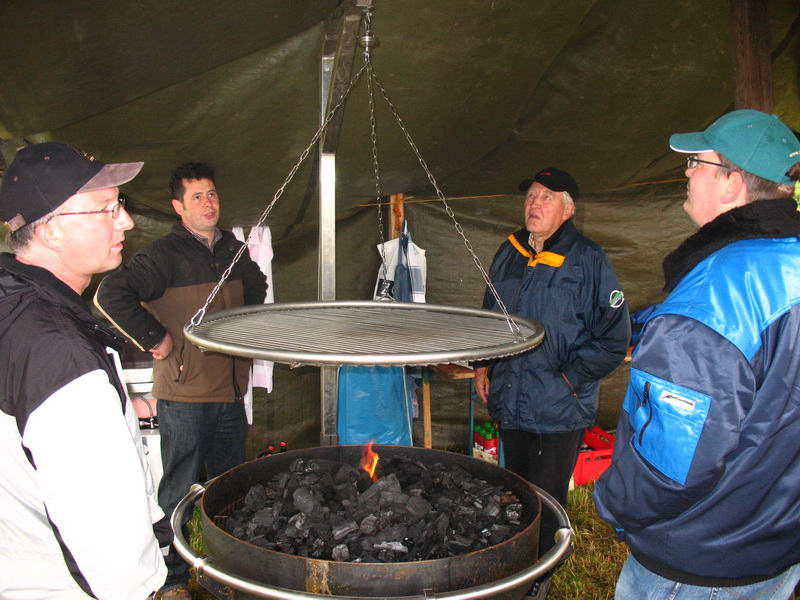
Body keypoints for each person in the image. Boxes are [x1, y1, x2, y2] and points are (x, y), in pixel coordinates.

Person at [594, 109, 800, 600]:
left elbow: (669, 467)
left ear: (731, 184)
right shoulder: (783, 263)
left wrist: (612, 502)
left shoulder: (714, 297)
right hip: (777, 539)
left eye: (696, 163)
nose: (686, 173)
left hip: (696, 561)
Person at [0, 142, 168, 599]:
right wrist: (142, 588)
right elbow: (105, 530)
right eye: (106, 209)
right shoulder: (61, 354)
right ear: (51, 231)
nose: (126, 221)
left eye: (120, 204)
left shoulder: (14, 304)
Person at [94, 162, 267, 599]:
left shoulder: (232, 249)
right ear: (178, 207)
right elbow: (110, 294)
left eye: (212, 194)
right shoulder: (163, 256)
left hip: (231, 392)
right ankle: (172, 580)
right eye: (197, 197)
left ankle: (225, 572)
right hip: (185, 395)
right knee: (179, 489)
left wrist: (242, 326)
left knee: (228, 486)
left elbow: (258, 284)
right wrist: (155, 339)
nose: (208, 204)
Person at [474, 167, 630, 598]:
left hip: (559, 404)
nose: (534, 204)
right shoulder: (509, 250)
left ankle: (540, 578)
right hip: (511, 395)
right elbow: (489, 314)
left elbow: (614, 336)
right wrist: (483, 365)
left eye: (547, 197)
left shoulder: (588, 259)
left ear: (568, 209)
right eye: (531, 196)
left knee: (548, 497)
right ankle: (514, 567)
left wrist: (570, 378)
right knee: (516, 489)